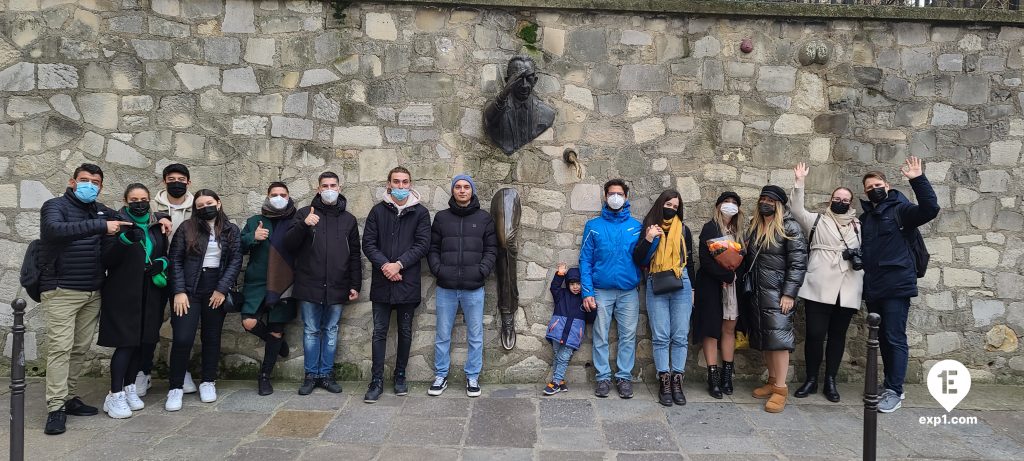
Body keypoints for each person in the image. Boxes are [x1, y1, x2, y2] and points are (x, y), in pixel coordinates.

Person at [39, 163, 131, 434]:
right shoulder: (54, 206)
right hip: (61, 290)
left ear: (101, 187)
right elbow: (55, 230)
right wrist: (102, 226)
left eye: (95, 182)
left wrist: (158, 217)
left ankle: (68, 397)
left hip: (92, 291)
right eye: (84, 180)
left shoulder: (99, 209)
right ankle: (55, 407)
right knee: (60, 349)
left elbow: (130, 219)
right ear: (72, 181)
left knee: (80, 348)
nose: (89, 185)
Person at [860, 157, 939, 413]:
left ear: (888, 184)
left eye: (878, 184)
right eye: (870, 187)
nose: (875, 189)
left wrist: (918, 179)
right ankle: (889, 384)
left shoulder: (900, 209)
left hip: (896, 285)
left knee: (894, 337)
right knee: (882, 337)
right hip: (874, 287)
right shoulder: (867, 217)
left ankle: (896, 391)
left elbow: (930, 209)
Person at [790, 163, 864, 403]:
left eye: (845, 198)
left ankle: (830, 380)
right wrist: (799, 181)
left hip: (848, 285)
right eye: (836, 197)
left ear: (851, 203)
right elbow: (796, 209)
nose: (840, 201)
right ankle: (811, 379)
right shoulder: (818, 220)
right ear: (830, 200)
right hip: (820, 284)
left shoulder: (858, 226)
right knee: (814, 333)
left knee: (837, 336)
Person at [285, 172, 362, 396]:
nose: (329, 189)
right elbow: (289, 244)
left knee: (331, 330)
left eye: (333, 185)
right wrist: (304, 225)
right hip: (310, 284)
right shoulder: (304, 214)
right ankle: (311, 375)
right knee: (310, 330)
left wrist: (354, 284)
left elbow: (355, 255)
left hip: (338, 285)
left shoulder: (348, 220)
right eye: (324, 185)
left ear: (339, 188)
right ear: (318, 189)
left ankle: (326, 375)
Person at [166, 189, 242, 411]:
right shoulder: (186, 228)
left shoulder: (230, 229)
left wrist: (221, 289)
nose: (205, 207)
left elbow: (235, 261)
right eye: (200, 205)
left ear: (218, 203)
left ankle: (208, 381)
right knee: (182, 338)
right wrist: (179, 290)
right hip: (188, 289)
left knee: (212, 337)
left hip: (215, 288)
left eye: (209, 203)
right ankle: (176, 387)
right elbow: (175, 260)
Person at [99, 184, 170, 418]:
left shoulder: (157, 226)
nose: (139, 203)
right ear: (126, 200)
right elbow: (107, 259)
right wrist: (125, 240)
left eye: (143, 199)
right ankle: (114, 394)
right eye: (134, 199)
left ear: (150, 200)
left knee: (143, 341)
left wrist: (161, 264)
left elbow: (165, 254)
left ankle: (130, 387)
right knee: (126, 343)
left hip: (150, 291)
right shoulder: (116, 224)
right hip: (123, 292)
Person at [361, 167, 431, 403]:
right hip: (383, 282)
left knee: (405, 331)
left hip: (407, 282)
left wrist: (399, 265)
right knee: (379, 332)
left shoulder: (420, 213)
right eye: (396, 182)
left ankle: (400, 376)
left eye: (405, 182)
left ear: (410, 184)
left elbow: (422, 245)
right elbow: (368, 244)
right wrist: (386, 266)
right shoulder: (377, 211)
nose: (401, 187)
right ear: (388, 184)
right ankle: (376, 380)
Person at [427, 174, 497, 397]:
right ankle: (440, 375)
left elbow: (491, 250)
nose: (462, 190)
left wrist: (482, 270)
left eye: (466, 187)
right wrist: (438, 270)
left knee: (475, 335)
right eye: (458, 187)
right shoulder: (441, 218)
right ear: (453, 191)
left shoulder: (484, 218)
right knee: (443, 334)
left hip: (474, 287)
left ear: (472, 191)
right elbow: (432, 249)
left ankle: (473, 377)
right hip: (446, 286)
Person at [743, 185, 807, 413]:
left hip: (779, 293)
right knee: (766, 339)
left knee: (779, 341)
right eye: (763, 198)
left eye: (771, 200)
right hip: (759, 292)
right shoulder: (755, 226)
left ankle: (781, 389)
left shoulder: (789, 227)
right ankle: (771, 381)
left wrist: (789, 293)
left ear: (779, 204)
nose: (765, 202)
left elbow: (798, 263)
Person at [580, 179, 642, 399]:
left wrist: (652, 240)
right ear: (605, 197)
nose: (615, 197)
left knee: (627, 336)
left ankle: (624, 377)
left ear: (626, 197)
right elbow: (585, 261)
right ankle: (603, 378)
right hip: (601, 290)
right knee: (600, 335)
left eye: (619, 193)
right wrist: (587, 292)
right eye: (611, 193)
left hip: (628, 291)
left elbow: (644, 255)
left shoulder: (636, 227)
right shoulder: (593, 226)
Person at [138, 163, 196, 397]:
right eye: (171, 178)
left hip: (185, 273)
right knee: (149, 325)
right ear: (164, 182)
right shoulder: (151, 206)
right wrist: (156, 219)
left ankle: (181, 371)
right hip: (156, 273)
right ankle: (143, 371)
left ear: (188, 182)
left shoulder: (197, 207)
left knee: (182, 326)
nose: (176, 182)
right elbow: (135, 223)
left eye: (181, 178)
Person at [632, 190, 695, 406]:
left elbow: (691, 260)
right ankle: (664, 381)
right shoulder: (650, 227)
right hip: (655, 280)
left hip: (682, 281)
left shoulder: (683, 229)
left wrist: (693, 290)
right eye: (668, 204)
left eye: (675, 206)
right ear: (661, 204)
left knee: (680, 335)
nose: (671, 208)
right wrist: (650, 239)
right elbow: (638, 258)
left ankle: (677, 380)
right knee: (660, 336)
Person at [239, 182, 298, 396]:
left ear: (289, 196)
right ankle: (277, 343)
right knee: (249, 322)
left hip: (284, 282)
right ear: (267, 196)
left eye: (282, 194)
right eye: (274, 194)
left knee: (276, 328)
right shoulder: (255, 221)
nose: (279, 197)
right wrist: (252, 238)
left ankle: (265, 376)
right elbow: (240, 245)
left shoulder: (294, 221)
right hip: (257, 282)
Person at [693, 192, 744, 399]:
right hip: (712, 285)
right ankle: (712, 376)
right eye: (726, 202)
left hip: (732, 286)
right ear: (718, 205)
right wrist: (725, 275)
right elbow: (705, 259)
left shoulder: (740, 231)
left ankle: (727, 376)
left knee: (728, 328)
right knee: (711, 330)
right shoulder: (710, 228)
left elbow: (745, 259)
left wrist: (733, 276)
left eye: (734, 203)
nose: (730, 206)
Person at [543, 263, 585, 396]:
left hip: (573, 334)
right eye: (572, 284)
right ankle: (560, 382)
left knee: (563, 357)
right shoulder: (561, 294)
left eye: (578, 284)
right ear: (568, 284)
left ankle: (555, 383)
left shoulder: (585, 299)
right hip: (558, 331)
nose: (575, 287)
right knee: (557, 355)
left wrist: (592, 307)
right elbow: (554, 287)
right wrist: (560, 274)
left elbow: (591, 317)